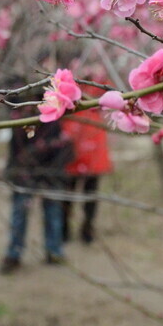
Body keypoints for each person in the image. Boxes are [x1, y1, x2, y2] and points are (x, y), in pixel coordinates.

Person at [0, 101, 74, 273]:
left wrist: (53, 169)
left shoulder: (54, 118)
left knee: (53, 214)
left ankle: (53, 251)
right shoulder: (17, 120)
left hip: (50, 172)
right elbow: (15, 151)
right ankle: (14, 253)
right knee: (19, 215)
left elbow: (61, 146)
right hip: (24, 174)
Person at [60, 96, 112, 244]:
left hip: (93, 146)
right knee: (67, 195)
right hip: (71, 147)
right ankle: (65, 230)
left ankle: (87, 229)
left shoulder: (98, 88)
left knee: (90, 196)